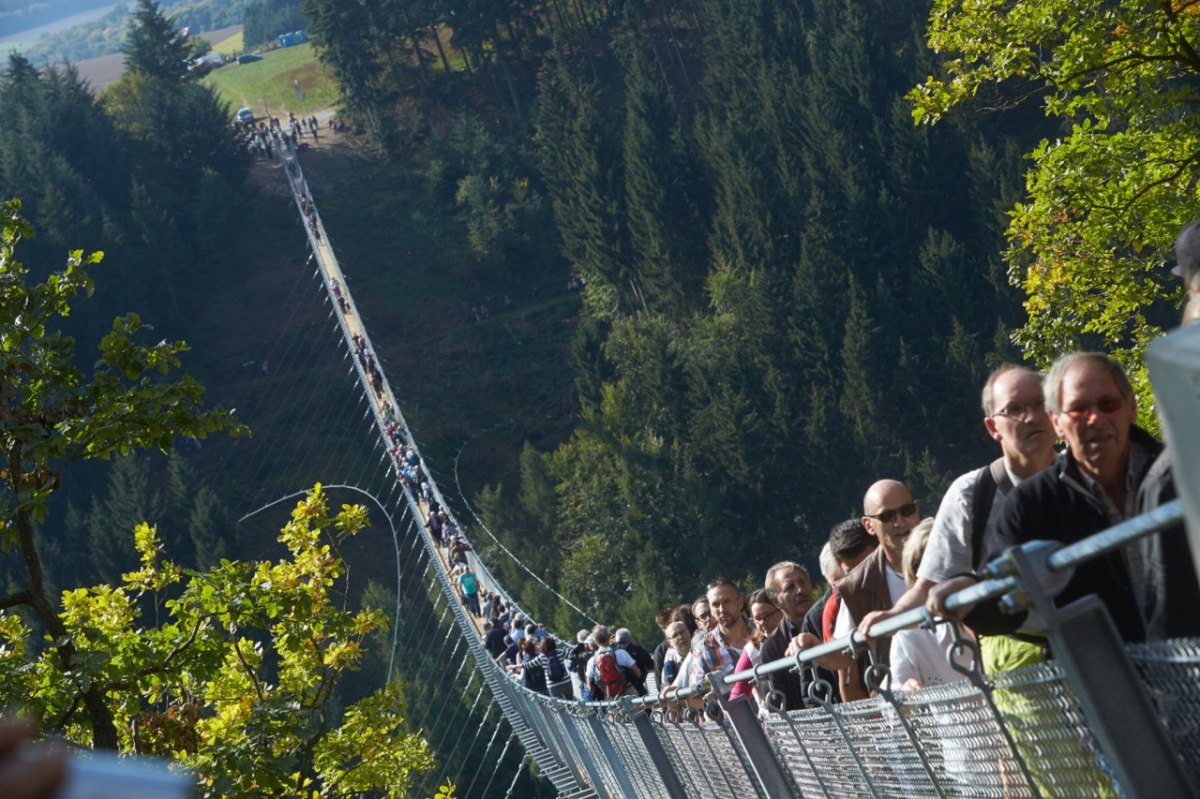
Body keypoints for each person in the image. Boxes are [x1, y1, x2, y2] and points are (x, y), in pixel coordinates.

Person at [862, 364, 1056, 674]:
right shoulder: (971, 494)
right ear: (993, 428)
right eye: (1015, 409)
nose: (1031, 416)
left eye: (1039, 403)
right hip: (1022, 664)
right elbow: (931, 584)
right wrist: (893, 616)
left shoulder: (1084, 475)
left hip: (1104, 638)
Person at [966, 353, 1162, 644]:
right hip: (1112, 680)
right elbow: (1003, 602)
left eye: (1107, 404)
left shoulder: (1181, 471)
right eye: (1078, 409)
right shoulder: (1031, 505)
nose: (1095, 418)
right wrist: (966, 594)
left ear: (1130, 407)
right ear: (1056, 422)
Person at [829, 481, 919, 700]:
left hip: (966, 680)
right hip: (909, 707)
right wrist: (811, 649)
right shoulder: (855, 585)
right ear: (869, 525)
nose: (900, 522)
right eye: (888, 516)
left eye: (906, 511)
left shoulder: (946, 553)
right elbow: (842, 655)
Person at [888, 518, 976, 691]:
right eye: (923, 571)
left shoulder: (995, 607)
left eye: (948, 566)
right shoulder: (909, 634)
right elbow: (891, 703)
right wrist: (906, 693)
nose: (938, 579)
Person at [758, 561, 815, 711]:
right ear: (776, 601)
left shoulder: (833, 621)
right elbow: (779, 707)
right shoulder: (772, 649)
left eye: (803, 582)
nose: (800, 590)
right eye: (790, 587)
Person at [682, 578, 749, 686]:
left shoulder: (763, 630)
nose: (722, 609)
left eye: (727, 602)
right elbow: (696, 696)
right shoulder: (704, 649)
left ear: (740, 602)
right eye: (715, 605)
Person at [729, 589, 782, 706]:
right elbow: (738, 692)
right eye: (757, 619)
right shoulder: (752, 650)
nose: (762, 622)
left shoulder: (798, 635)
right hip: (774, 720)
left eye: (767, 616)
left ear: (781, 610)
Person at [586, 626, 640, 699]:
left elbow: (590, 687)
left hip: (610, 698)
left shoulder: (592, 661)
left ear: (595, 641)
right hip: (628, 692)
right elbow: (638, 673)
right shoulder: (621, 653)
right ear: (609, 637)